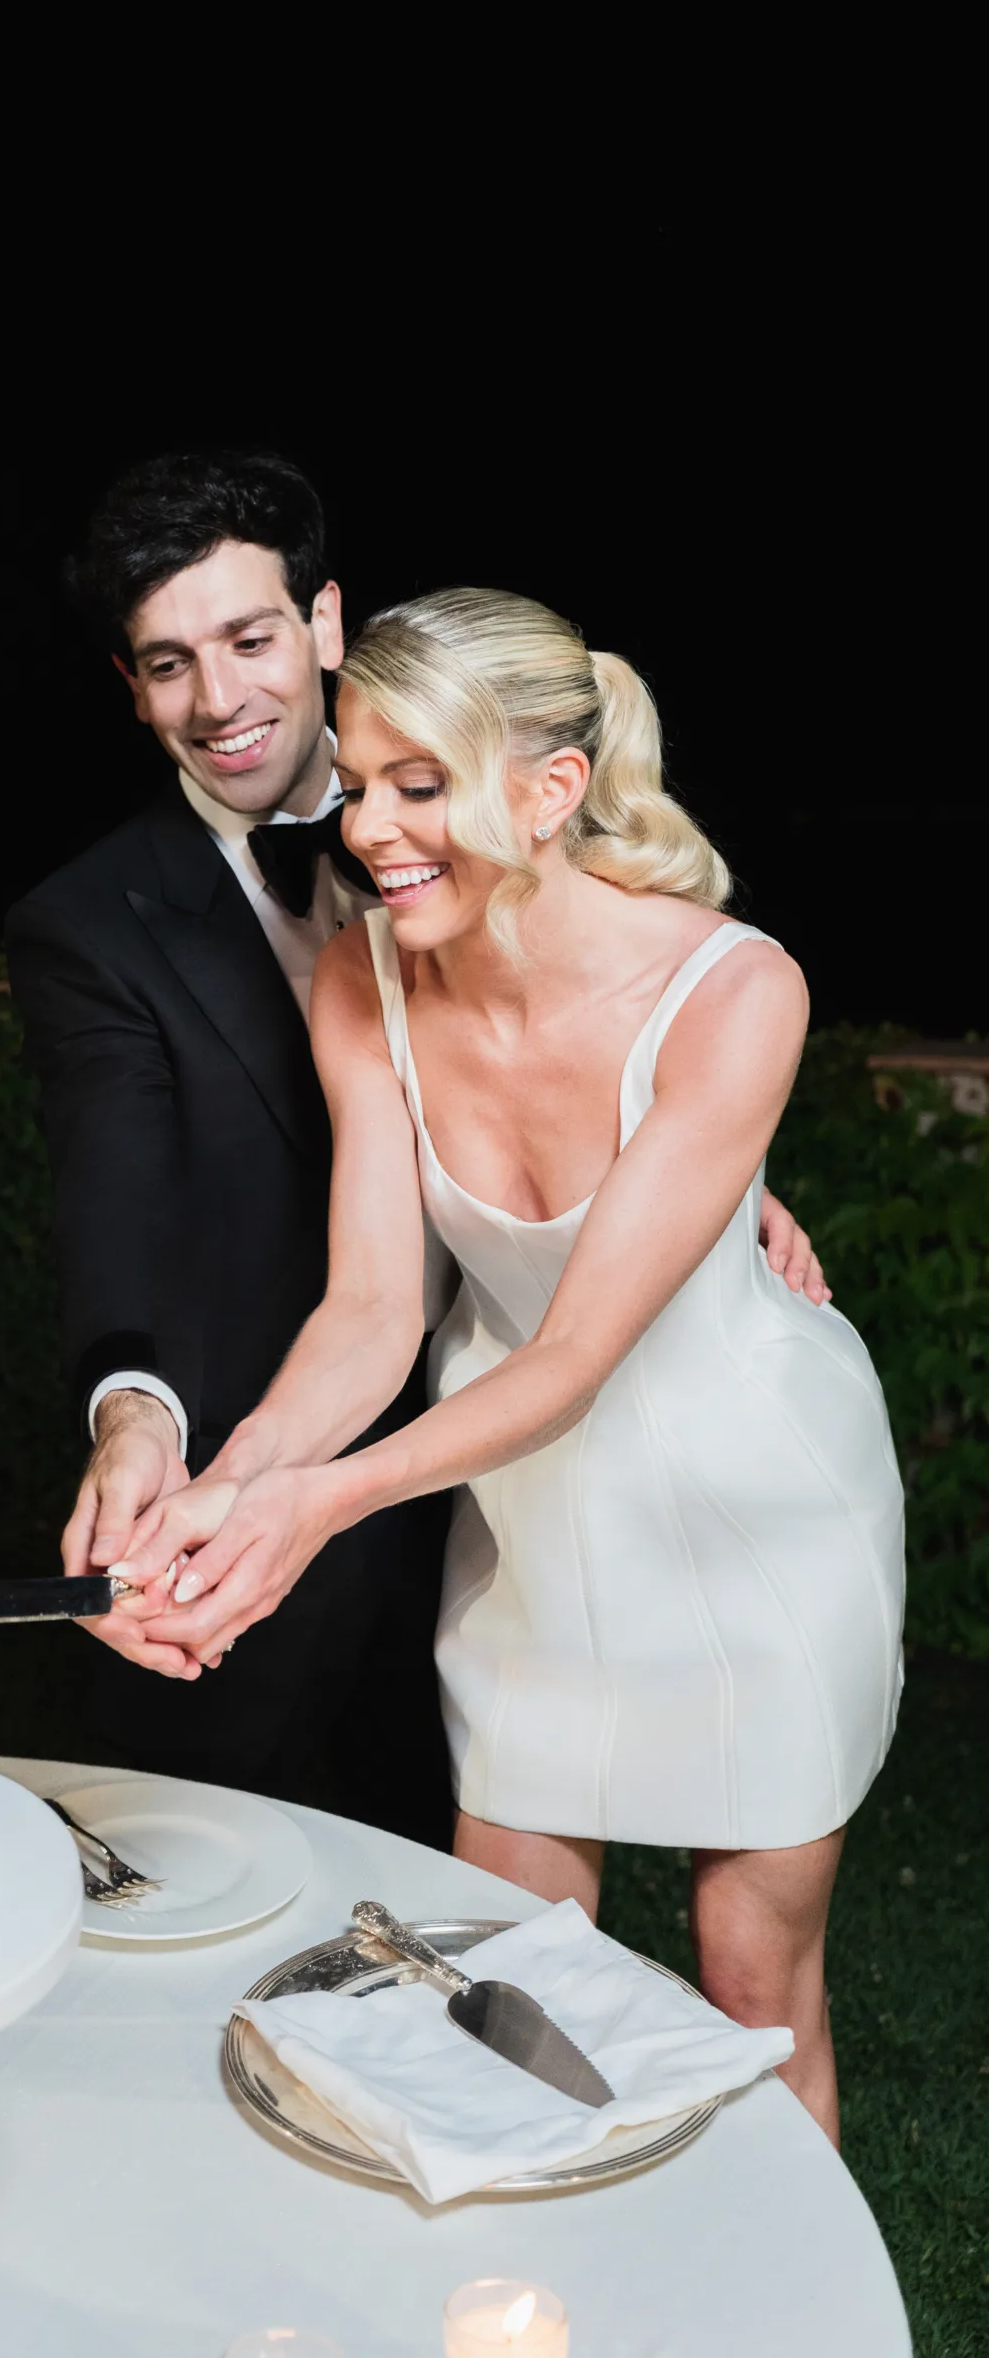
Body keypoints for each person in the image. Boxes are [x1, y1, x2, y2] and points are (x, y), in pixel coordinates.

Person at [111, 587, 903, 2140]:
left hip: (753, 1518)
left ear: (549, 791)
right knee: (500, 1991)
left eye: (425, 786)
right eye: (361, 783)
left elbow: (576, 1356)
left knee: (751, 1984)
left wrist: (315, 1508)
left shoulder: (737, 990)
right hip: (529, 1524)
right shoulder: (366, 980)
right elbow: (369, 1313)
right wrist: (227, 1496)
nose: (374, 832)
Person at [7, 461, 830, 1847]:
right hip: (340, 1419)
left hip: (611, 1444)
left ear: (324, 624)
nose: (217, 700)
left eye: (250, 641)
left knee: (654, 1936)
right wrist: (154, 1431)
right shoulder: (91, 925)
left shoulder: (514, 795)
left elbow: (642, 1024)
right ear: (128, 682)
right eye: (167, 664)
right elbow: (123, 1197)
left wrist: (708, 1186)